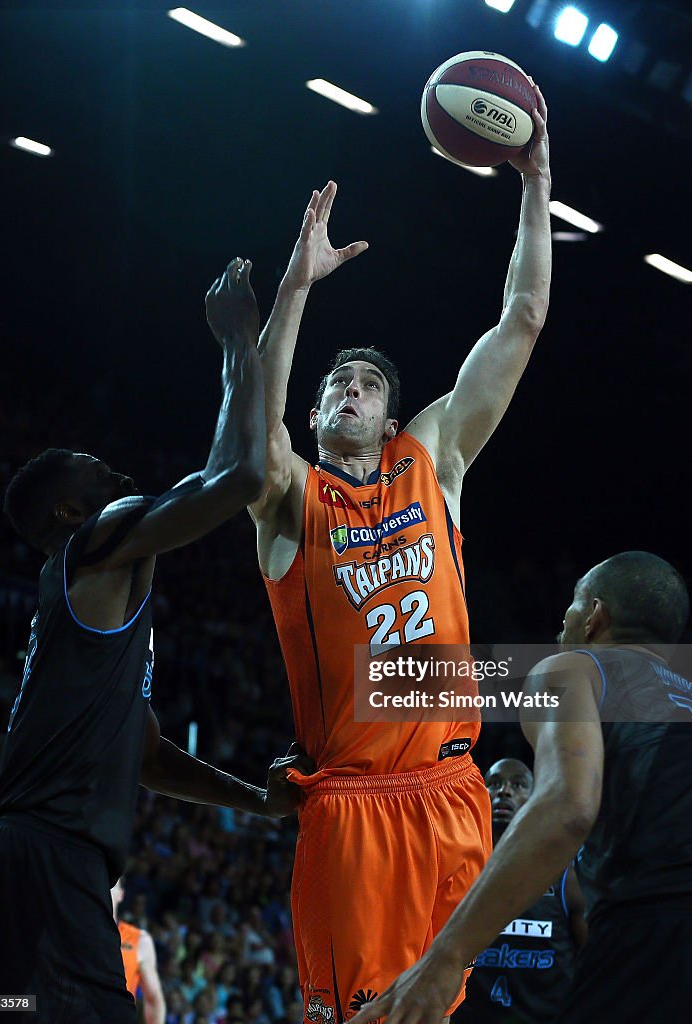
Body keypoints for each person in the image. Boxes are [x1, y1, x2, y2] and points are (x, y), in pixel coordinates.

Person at [249, 81, 551, 1021]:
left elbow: (522, 320)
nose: (351, 388)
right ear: (315, 411)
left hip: (457, 791)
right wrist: (293, 289)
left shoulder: (434, 461)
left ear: (390, 414)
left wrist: (533, 182)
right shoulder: (293, 500)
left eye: (369, 382)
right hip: (355, 807)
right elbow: (249, 441)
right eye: (336, 380)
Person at [0, 258, 313, 1024]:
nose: (111, 468)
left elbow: (149, 757)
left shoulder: (89, 609)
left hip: (7, 865)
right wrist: (235, 343)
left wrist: (257, 802)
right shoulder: (92, 542)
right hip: (52, 858)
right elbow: (241, 475)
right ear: (63, 514)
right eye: (91, 469)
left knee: (4, 1015)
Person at [351, 551, 692, 1024]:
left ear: (594, 616)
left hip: (660, 933)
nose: (563, 618)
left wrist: (446, 958)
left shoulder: (574, 668)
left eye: (573, 603)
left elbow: (566, 806)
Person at [452, 759, 585, 1024]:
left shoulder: (565, 875)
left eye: (518, 784)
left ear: (535, 799)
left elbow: (591, 961)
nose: (504, 791)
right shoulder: (457, 869)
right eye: (494, 784)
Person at [111, 877, 165, 1024]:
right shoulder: (73, 935)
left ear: (121, 894)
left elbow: (153, 999)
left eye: (110, 884)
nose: (104, 889)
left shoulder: (140, 940)